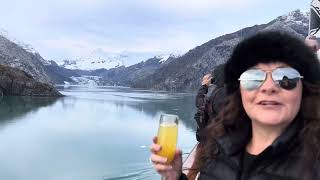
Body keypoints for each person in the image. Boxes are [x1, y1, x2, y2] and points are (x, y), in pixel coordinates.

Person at [150, 31, 320, 180]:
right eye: (253, 78)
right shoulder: (218, 149)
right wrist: (174, 177)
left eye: (286, 78)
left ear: (304, 90)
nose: (268, 87)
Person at [194, 64, 226, 142]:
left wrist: (204, 86)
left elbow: (200, 103)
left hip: (216, 141)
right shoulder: (237, 93)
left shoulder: (218, 95)